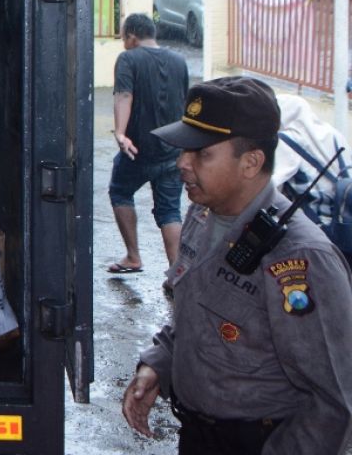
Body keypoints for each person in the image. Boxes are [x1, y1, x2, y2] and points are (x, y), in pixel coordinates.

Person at [121, 76, 352, 454]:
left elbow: (333, 403)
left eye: (201, 154)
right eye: (184, 150)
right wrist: (158, 365)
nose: (182, 163)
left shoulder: (301, 257)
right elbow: (191, 311)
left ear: (251, 163)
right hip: (198, 435)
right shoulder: (202, 215)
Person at [106, 12, 190, 274]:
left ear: (131, 36)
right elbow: (186, 104)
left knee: (120, 192)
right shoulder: (179, 60)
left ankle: (133, 257)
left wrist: (121, 133)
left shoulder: (128, 59)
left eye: (123, 37)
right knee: (170, 211)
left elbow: (124, 95)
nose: (123, 42)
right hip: (173, 150)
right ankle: (176, 275)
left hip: (139, 150)